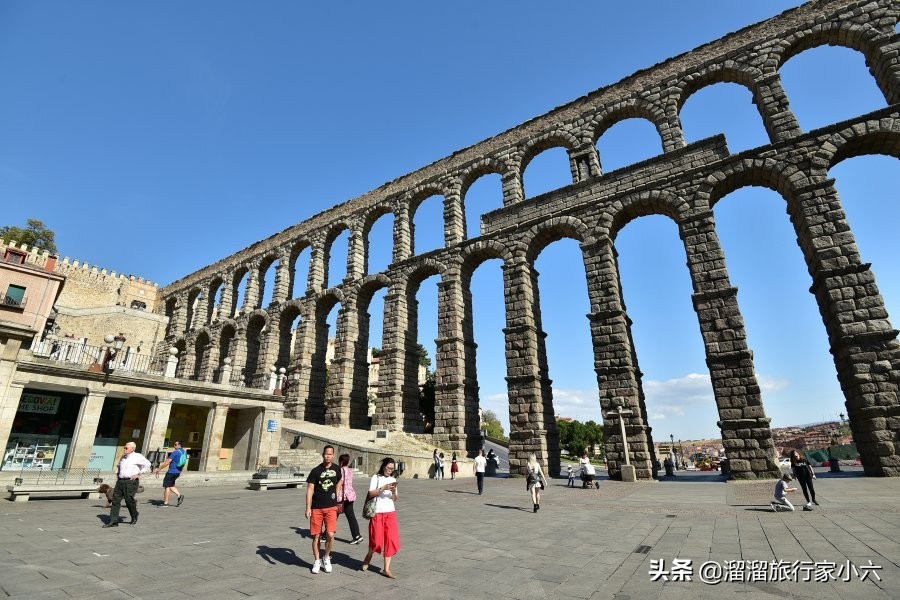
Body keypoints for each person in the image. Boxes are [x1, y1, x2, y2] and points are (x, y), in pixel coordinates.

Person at [305, 445, 343, 574]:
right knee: (316, 536)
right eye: (326, 454)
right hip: (316, 508)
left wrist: (336, 494)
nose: (328, 456)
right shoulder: (315, 471)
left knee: (330, 534)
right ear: (323, 454)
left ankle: (326, 557)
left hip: (331, 507)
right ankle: (317, 560)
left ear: (333, 455)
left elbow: (340, 480)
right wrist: (308, 507)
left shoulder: (337, 469)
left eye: (330, 454)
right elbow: (310, 489)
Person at [361, 457, 400, 579]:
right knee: (376, 540)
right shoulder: (376, 478)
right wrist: (383, 488)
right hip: (377, 512)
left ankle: (386, 569)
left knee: (391, 540)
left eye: (392, 469)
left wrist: (393, 492)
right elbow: (371, 494)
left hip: (390, 513)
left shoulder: (393, 479)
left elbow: (395, 498)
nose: (390, 470)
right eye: (388, 468)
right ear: (383, 467)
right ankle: (369, 554)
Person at [104, 442, 151, 527]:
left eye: (126, 448)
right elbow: (118, 466)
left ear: (132, 449)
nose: (124, 449)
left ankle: (134, 514)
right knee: (115, 500)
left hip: (131, 481)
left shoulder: (137, 456)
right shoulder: (123, 457)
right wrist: (117, 475)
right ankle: (114, 521)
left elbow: (148, 464)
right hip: (120, 481)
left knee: (128, 500)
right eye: (124, 447)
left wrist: (139, 474)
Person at [337, 453, 363, 545]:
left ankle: (325, 535)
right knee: (351, 517)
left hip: (342, 496)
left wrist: (335, 495)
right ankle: (357, 535)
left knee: (333, 516)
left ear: (340, 461)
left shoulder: (340, 470)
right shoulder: (349, 470)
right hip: (350, 495)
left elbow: (340, 483)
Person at [153, 440, 186, 507]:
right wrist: (180, 472)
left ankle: (166, 503)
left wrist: (159, 469)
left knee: (167, 486)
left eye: (175, 444)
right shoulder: (184, 452)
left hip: (171, 472)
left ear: (179, 445)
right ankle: (179, 496)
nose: (174, 446)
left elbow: (167, 462)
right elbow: (183, 463)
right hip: (177, 472)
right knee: (171, 485)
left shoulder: (175, 452)